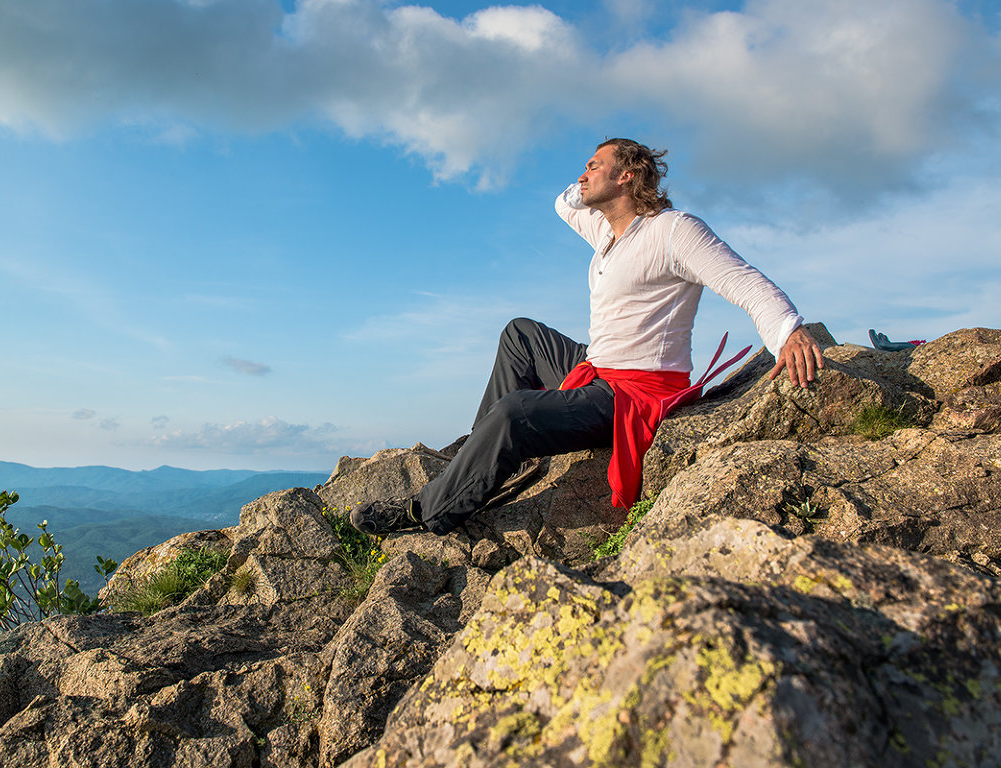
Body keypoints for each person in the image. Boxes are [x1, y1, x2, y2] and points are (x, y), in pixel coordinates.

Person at [351, 138, 824, 536]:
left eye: (593, 165)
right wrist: (590, 180)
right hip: (597, 364)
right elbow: (563, 203)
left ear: (626, 177)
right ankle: (481, 451)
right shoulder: (608, 230)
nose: (582, 174)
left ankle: (425, 511)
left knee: (516, 413)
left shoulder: (674, 232)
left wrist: (788, 331)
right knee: (521, 333)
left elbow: (741, 280)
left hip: (633, 392)